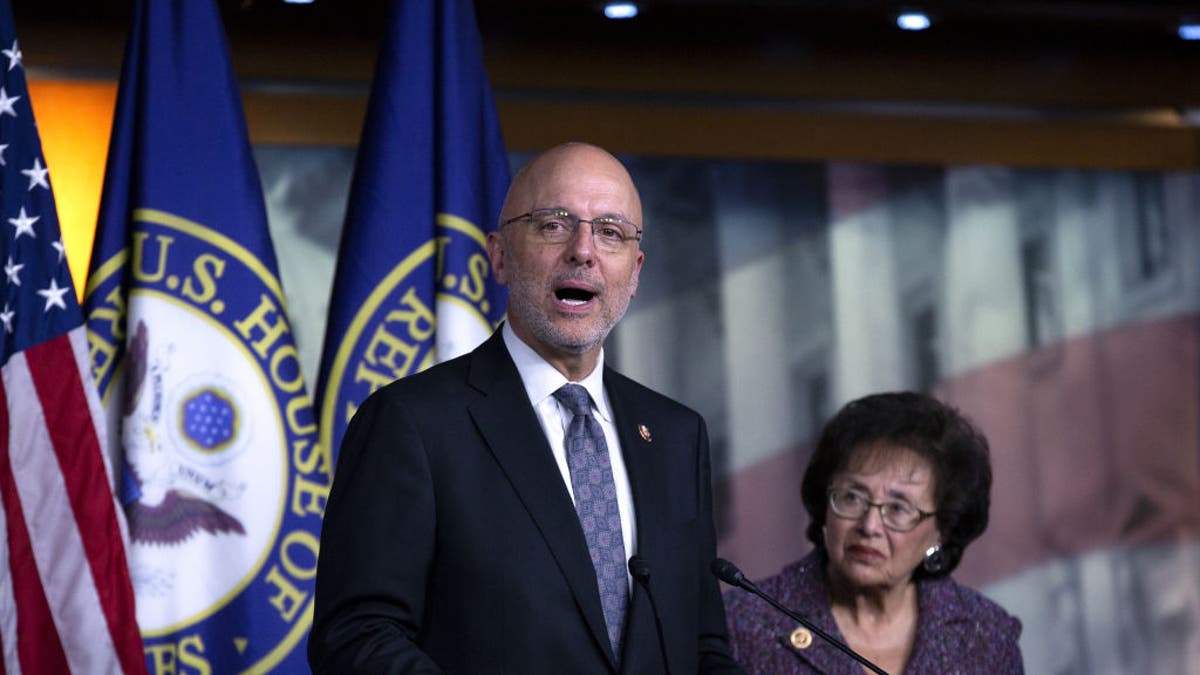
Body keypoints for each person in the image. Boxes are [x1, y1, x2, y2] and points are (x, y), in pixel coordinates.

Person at [308, 142, 744, 674]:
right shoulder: (410, 423)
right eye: (553, 225)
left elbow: (702, 646)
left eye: (610, 232)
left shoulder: (677, 436)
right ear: (499, 257)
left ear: (634, 274)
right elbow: (357, 636)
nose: (583, 250)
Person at [724, 391, 1023, 674]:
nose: (869, 527)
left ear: (942, 530)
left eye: (898, 508)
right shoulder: (743, 624)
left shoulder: (986, 637)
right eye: (852, 498)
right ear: (825, 504)